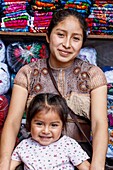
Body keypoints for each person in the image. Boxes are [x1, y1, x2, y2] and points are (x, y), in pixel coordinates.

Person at [0, 9, 108, 170]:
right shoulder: (28, 73)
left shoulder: (93, 74)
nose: (67, 44)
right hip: (35, 156)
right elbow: (13, 122)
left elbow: (100, 124)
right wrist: (4, 165)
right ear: (48, 36)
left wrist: (97, 166)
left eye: (76, 38)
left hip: (80, 156)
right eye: (60, 35)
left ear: (82, 43)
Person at [10, 93, 90, 170]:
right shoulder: (24, 146)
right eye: (39, 124)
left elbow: (85, 167)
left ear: (62, 126)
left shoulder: (69, 145)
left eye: (54, 125)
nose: (46, 131)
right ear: (29, 123)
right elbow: (9, 166)